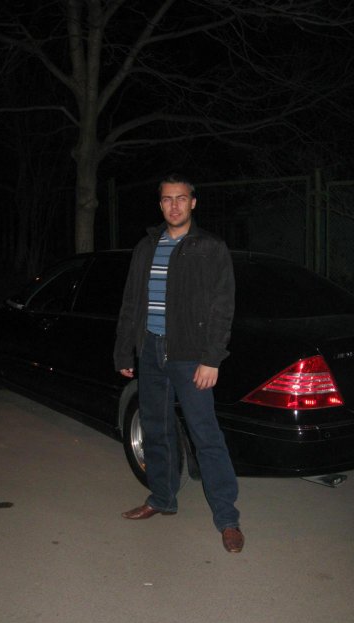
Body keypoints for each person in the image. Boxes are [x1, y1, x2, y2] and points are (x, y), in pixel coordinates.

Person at [113, 173, 244, 553]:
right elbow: (131, 302)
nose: (174, 205)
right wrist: (124, 351)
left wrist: (211, 359)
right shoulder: (146, 247)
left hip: (190, 357)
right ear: (160, 204)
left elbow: (223, 308)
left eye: (181, 198)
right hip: (150, 351)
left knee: (206, 435)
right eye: (167, 199)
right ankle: (162, 498)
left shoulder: (210, 248)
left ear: (193, 202)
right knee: (156, 429)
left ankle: (227, 519)